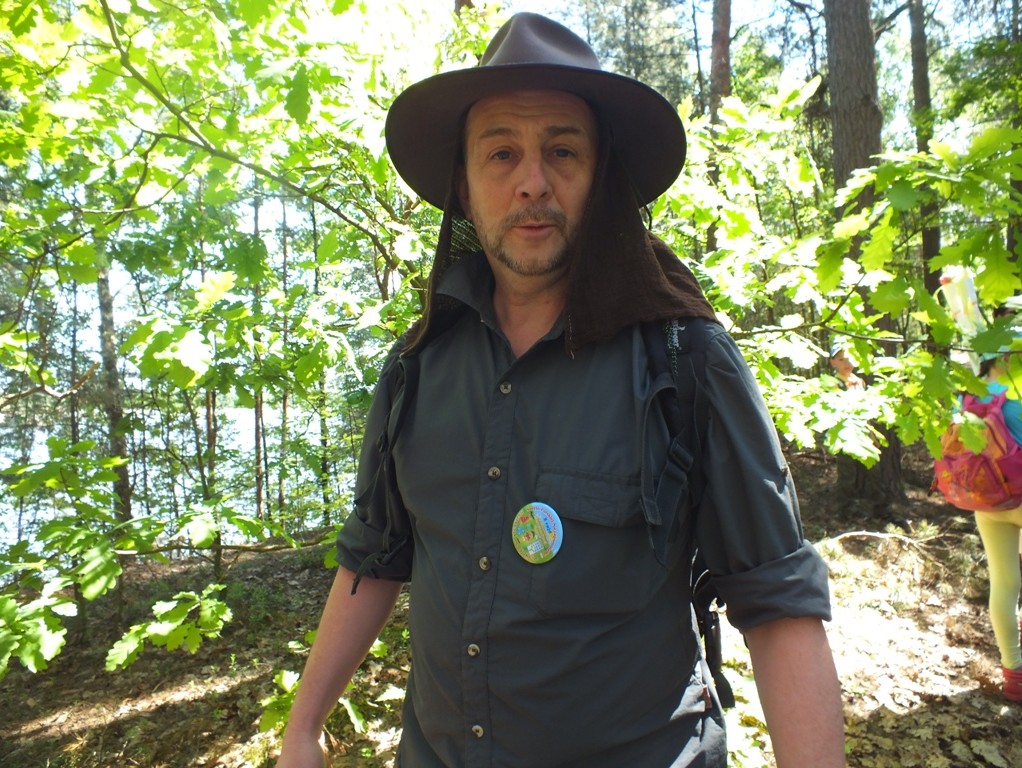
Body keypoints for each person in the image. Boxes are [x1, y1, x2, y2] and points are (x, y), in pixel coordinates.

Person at [277, 13, 845, 768]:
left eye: (563, 151)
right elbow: (373, 555)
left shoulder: (685, 359)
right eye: (501, 152)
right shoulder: (417, 366)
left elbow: (778, 603)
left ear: (601, 177)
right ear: (462, 184)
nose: (532, 181)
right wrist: (303, 727)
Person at [973, 350, 1022, 701]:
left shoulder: (969, 396)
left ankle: (1014, 675)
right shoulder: (1017, 395)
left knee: (1004, 584)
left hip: (987, 500)